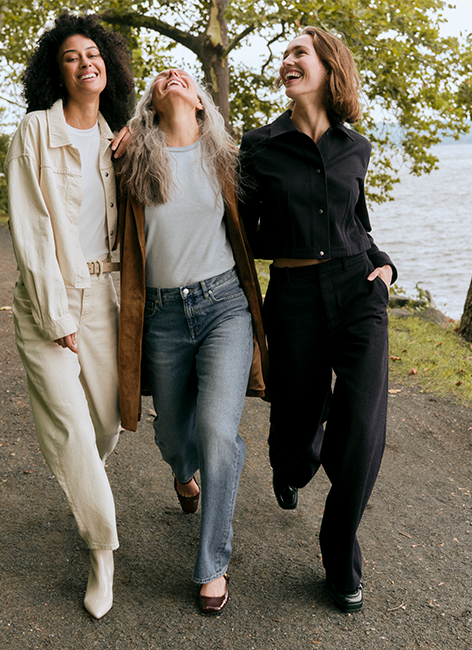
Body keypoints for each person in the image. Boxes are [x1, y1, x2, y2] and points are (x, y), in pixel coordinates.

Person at [238, 26, 395, 614]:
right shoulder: (259, 147)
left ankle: (339, 555)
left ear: (329, 67)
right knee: (296, 424)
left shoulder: (356, 148)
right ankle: (290, 466)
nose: (287, 60)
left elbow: (357, 222)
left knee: (363, 426)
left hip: (359, 290)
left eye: (299, 52)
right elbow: (239, 233)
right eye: (284, 54)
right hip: (295, 295)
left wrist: (385, 267)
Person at [113, 68, 268, 616]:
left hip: (224, 305)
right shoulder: (130, 158)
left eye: (184, 75)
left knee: (217, 432)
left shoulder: (227, 157)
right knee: (173, 435)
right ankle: (184, 474)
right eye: (161, 77)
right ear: (150, 105)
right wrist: (121, 134)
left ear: (202, 102)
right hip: (160, 316)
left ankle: (212, 565)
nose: (172, 75)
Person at [4, 13, 134, 620]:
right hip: (47, 301)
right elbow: (31, 227)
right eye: (71, 57)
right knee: (71, 427)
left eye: (94, 54)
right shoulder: (35, 130)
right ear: (56, 73)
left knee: (104, 425)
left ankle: (87, 484)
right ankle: (101, 552)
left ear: (108, 65)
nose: (86, 63)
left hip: (107, 297)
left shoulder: (121, 139)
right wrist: (56, 313)